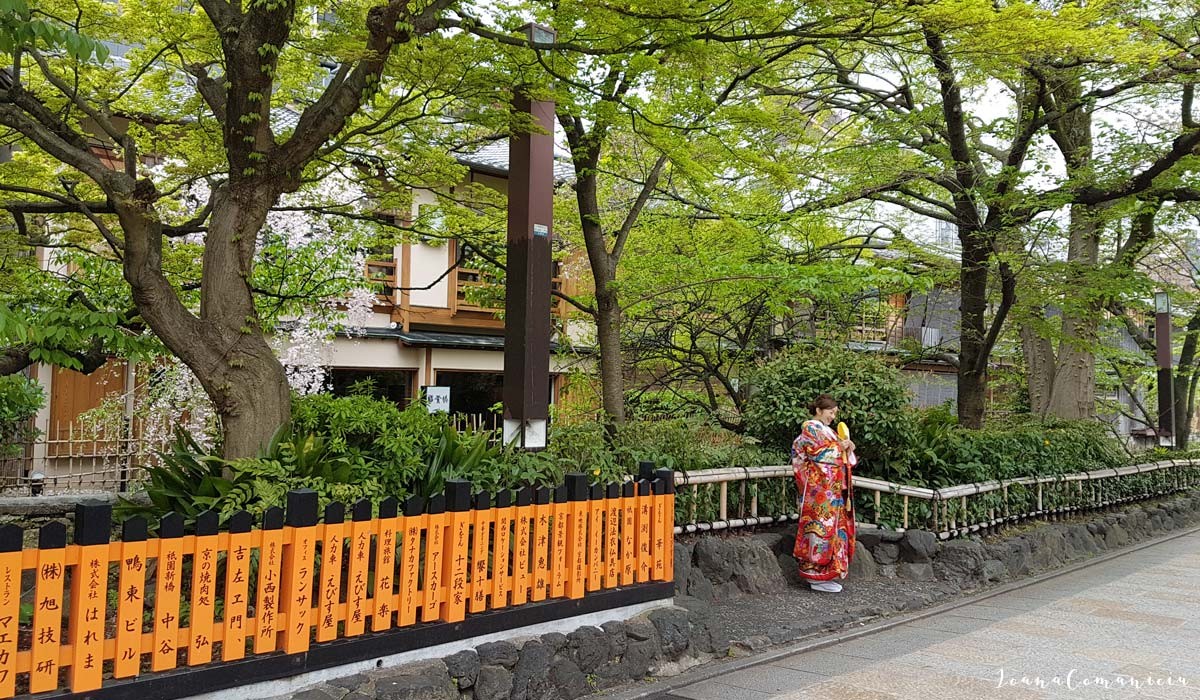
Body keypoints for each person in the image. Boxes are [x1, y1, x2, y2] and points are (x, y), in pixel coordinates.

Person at [791, 394, 856, 593]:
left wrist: (848, 448)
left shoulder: (828, 431)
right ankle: (815, 574)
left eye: (835, 413)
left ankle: (826, 572)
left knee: (832, 530)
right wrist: (840, 447)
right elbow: (817, 454)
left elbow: (843, 457)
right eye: (830, 412)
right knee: (818, 529)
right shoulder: (810, 428)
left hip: (830, 489)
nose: (832, 416)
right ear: (819, 410)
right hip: (818, 489)